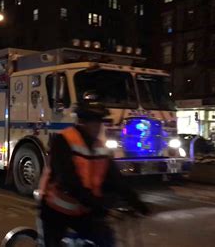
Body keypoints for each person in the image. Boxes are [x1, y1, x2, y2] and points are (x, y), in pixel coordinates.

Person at [38, 96, 150, 247]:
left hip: (84, 210)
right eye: (93, 121)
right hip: (56, 210)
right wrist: (92, 201)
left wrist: (136, 202)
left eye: (99, 122)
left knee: (106, 239)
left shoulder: (100, 147)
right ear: (82, 122)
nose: (97, 127)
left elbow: (116, 179)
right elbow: (67, 178)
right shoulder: (64, 140)